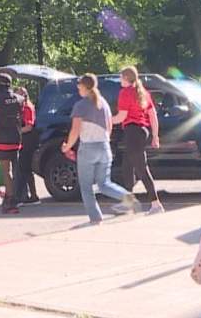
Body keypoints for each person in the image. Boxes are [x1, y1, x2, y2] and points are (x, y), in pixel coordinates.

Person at [61, 74, 139, 223]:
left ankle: (96, 218)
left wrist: (67, 147)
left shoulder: (81, 105)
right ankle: (129, 198)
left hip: (88, 148)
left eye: (79, 88)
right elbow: (109, 126)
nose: (78, 90)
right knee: (104, 184)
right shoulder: (104, 103)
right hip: (104, 146)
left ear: (84, 87)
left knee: (86, 187)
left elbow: (75, 130)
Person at [115, 65, 164, 215]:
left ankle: (156, 204)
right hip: (142, 131)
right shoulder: (143, 93)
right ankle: (129, 203)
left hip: (132, 132)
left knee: (141, 168)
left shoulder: (125, 93)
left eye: (120, 77)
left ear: (126, 78)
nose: (119, 80)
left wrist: (105, 121)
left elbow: (121, 116)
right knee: (127, 166)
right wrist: (155, 136)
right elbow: (153, 115)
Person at [0, 73, 24, 215]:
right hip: (15, 138)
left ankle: (11, 201)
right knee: (14, 170)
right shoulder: (19, 98)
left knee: (6, 172)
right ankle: (12, 198)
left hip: (1, 140)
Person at [15, 86, 40, 205]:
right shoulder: (22, 107)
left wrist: (16, 131)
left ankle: (28, 195)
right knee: (25, 169)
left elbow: (29, 126)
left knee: (24, 168)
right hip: (24, 139)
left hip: (28, 140)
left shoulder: (28, 108)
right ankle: (31, 195)